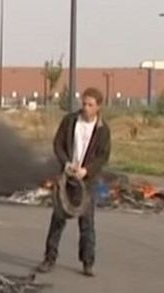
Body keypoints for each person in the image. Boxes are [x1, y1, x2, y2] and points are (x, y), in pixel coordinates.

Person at [34, 87, 111, 277]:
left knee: (87, 223)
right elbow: (57, 144)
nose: (85, 108)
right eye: (84, 103)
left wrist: (87, 170)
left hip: (87, 181)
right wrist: (66, 164)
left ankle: (87, 262)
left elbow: (103, 156)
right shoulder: (70, 122)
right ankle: (49, 258)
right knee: (58, 219)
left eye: (90, 105)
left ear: (98, 107)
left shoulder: (103, 130)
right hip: (67, 177)